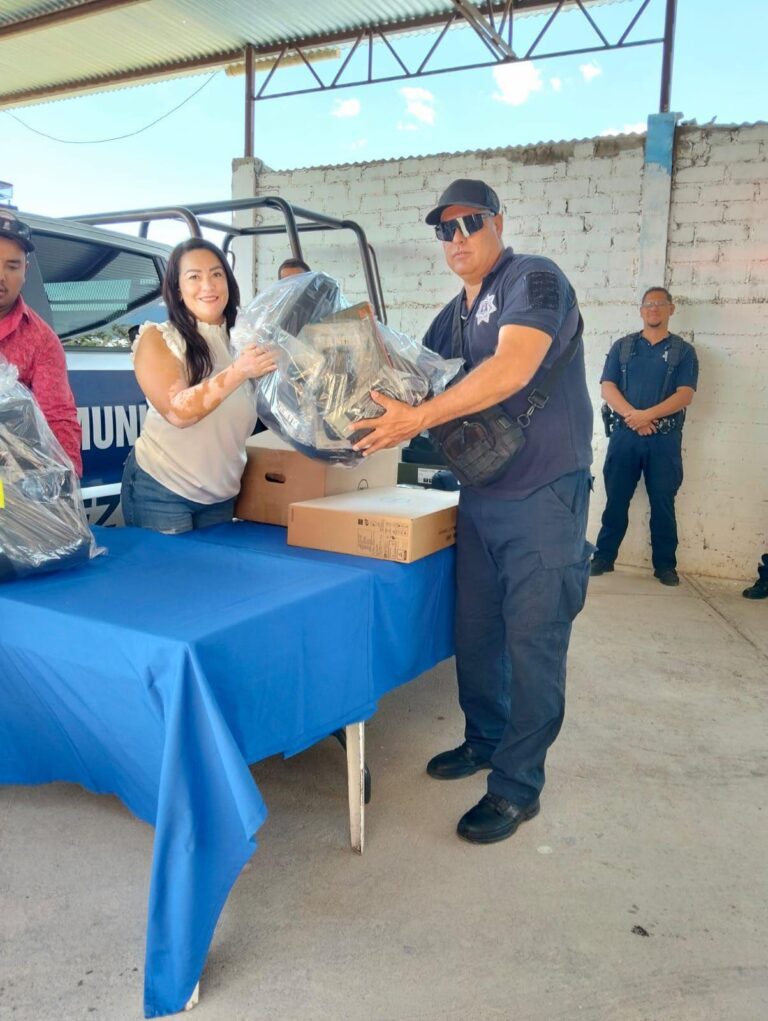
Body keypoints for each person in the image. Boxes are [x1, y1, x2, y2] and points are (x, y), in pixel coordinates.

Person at [351, 178, 593, 844]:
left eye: (469, 223)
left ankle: (518, 786)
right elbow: (408, 376)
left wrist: (419, 417)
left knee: (534, 641)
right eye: (444, 229)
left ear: (498, 222)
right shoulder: (450, 316)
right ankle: (485, 738)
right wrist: (343, 362)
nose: (456, 238)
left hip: (545, 494)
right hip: (482, 493)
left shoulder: (533, 279)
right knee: (478, 633)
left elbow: (513, 366)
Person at [121, 238, 276, 533]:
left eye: (217, 274)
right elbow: (179, 412)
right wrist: (240, 370)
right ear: (177, 289)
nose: (208, 285)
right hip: (163, 491)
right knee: (171, 566)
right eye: (194, 277)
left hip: (221, 495)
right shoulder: (159, 338)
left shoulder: (244, 340)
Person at [591, 287, 699, 586]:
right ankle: (604, 557)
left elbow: (685, 395)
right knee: (616, 499)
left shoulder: (683, 351)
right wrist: (634, 418)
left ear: (671, 309)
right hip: (625, 437)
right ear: (641, 310)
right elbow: (607, 387)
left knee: (663, 502)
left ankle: (665, 565)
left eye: (660, 303)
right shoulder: (622, 347)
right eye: (648, 304)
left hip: (664, 440)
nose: (654, 308)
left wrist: (646, 416)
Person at [0, 209, 82, 474]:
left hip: (10, 478)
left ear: (25, 270)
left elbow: (58, 416)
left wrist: (67, 480)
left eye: (12, 266)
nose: (1, 276)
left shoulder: (42, 340)